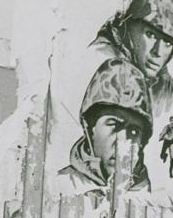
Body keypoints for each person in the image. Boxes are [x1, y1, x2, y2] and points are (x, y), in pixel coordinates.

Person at [93, 0, 173, 118]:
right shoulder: (102, 60)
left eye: (168, 43)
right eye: (150, 34)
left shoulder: (164, 86)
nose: (158, 52)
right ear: (129, 25)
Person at [60, 58, 153, 192]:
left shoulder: (151, 202)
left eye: (134, 132)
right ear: (89, 129)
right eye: (114, 125)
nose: (122, 142)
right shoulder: (57, 188)